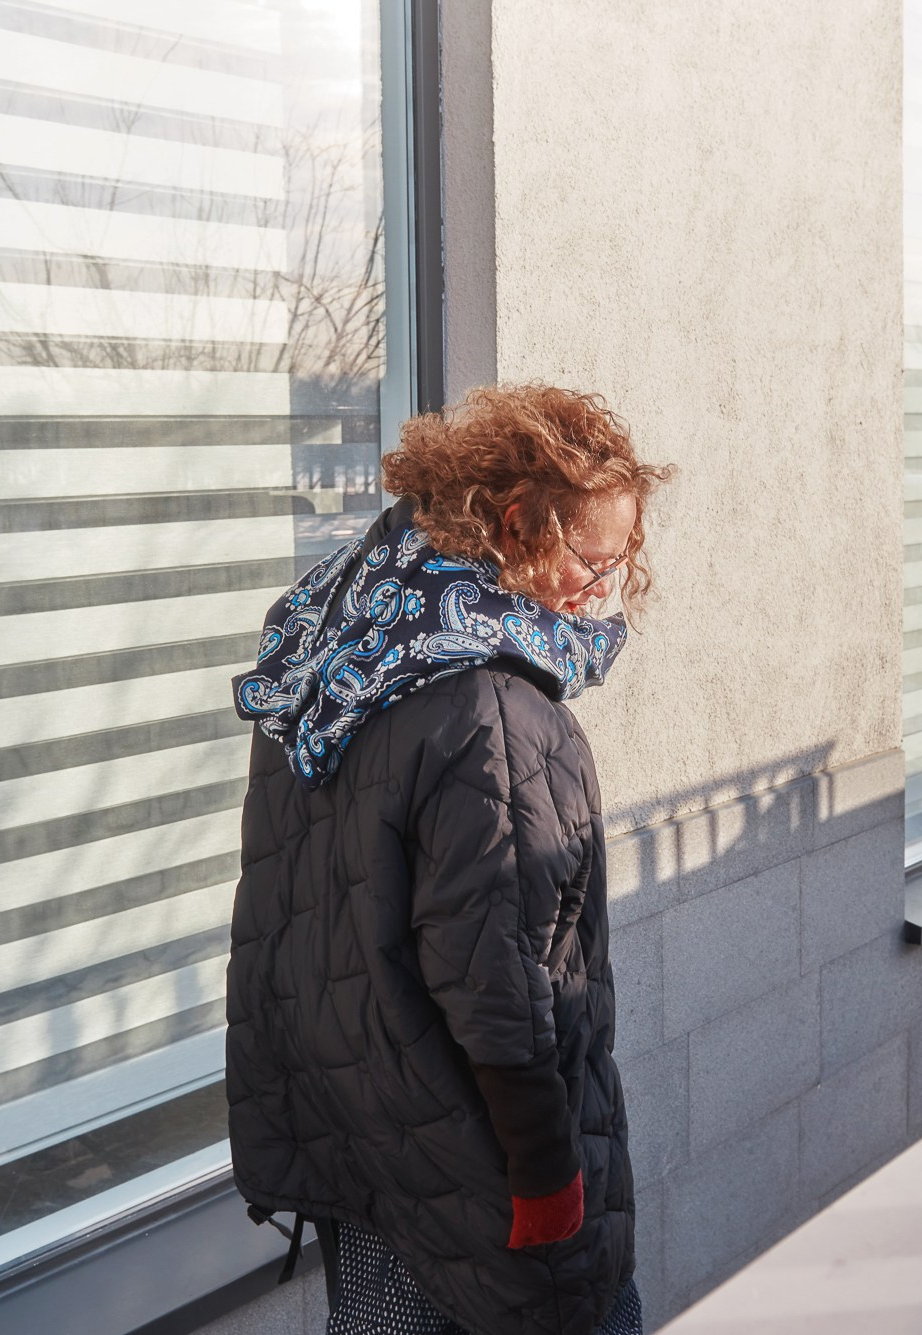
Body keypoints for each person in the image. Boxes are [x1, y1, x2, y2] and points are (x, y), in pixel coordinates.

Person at [226, 384, 671, 1335]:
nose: (605, 591)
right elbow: (501, 989)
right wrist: (549, 1180)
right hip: (481, 1171)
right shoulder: (497, 717)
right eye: (593, 560)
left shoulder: (343, 637)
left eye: (624, 561)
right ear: (517, 525)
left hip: (364, 1138)